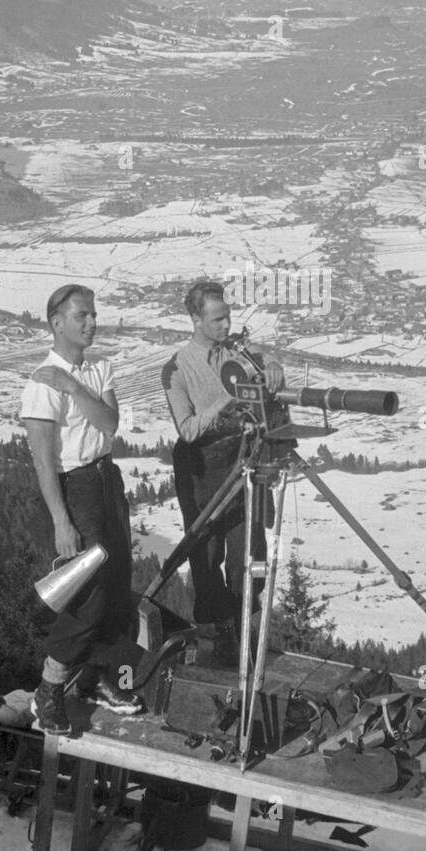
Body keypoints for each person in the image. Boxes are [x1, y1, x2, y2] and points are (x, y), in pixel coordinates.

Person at [21, 282, 141, 734]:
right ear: (57, 324)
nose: (92, 322)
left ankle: (95, 679)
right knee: (87, 596)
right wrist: (60, 519)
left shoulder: (94, 371)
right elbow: (42, 459)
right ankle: (48, 691)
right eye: (81, 317)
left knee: (116, 583)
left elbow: (109, 426)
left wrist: (73, 384)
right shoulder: (40, 384)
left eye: (93, 314)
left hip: (106, 479)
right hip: (74, 488)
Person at [161, 279, 285, 665]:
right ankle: (215, 639)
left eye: (228, 317)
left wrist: (275, 367)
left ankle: (242, 628)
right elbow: (188, 428)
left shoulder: (236, 353)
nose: (225, 326)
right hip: (203, 465)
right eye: (216, 320)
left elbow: (265, 367)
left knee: (248, 548)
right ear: (195, 319)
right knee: (206, 553)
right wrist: (225, 400)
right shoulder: (177, 368)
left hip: (242, 455)